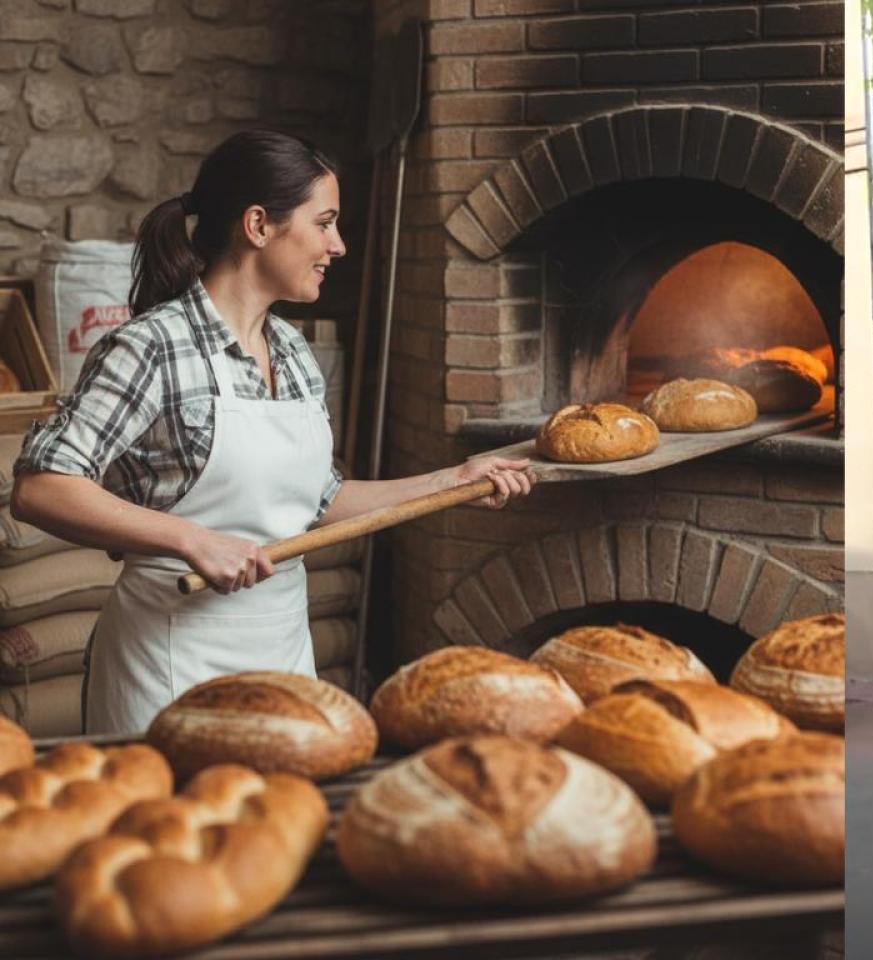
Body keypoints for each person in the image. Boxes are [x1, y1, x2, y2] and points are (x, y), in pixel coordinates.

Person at [9, 130, 534, 736]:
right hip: (169, 661)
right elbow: (41, 487)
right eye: (325, 223)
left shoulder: (291, 349)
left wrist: (454, 480)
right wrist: (191, 540)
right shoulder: (152, 346)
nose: (338, 245)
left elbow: (317, 500)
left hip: (283, 653)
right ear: (258, 225)